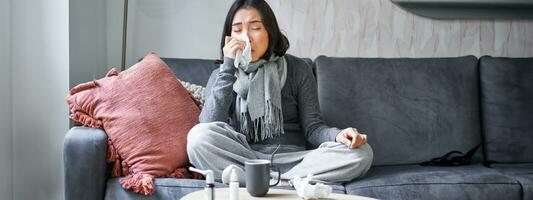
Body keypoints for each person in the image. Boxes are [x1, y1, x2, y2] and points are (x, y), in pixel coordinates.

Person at [187, 0, 373, 184]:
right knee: (198, 137)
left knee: (362, 153)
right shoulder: (221, 75)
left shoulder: (297, 68)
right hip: (246, 157)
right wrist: (228, 67)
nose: (246, 37)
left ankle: (265, 181)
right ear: (229, 38)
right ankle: (279, 180)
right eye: (237, 30)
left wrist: (338, 135)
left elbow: (313, 127)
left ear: (270, 30)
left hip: (296, 160)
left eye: (255, 27)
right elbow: (209, 125)